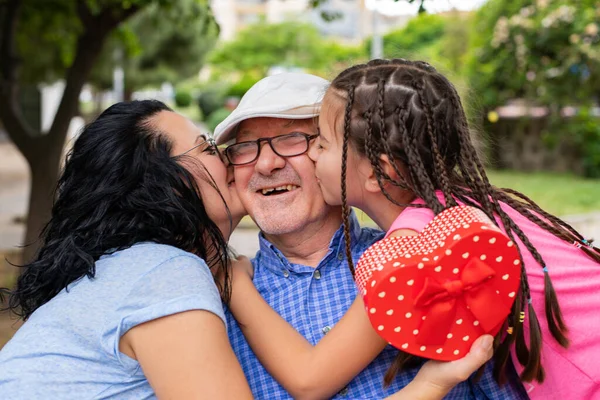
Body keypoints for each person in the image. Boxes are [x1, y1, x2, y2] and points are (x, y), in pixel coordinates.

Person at [0, 99, 496, 400]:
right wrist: (430, 386)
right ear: (166, 186)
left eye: (296, 141)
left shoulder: (409, 258)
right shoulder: (167, 276)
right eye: (217, 148)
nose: (262, 164)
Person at [229, 60, 600, 400]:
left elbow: (311, 377)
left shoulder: (415, 249)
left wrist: (236, 283)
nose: (304, 157)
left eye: (316, 144)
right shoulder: (459, 210)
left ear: (378, 171)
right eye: (244, 147)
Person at [0, 100, 253, 399]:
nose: (227, 155)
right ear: (162, 185)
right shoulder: (163, 272)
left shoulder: (129, 270)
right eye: (207, 148)